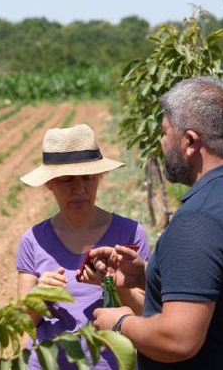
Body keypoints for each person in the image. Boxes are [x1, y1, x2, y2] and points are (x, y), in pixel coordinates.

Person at [88, 77, 223, 369]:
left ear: (190, 141)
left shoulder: (200, 218)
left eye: (166, 132)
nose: (161, 143)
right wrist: (150, 277)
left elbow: (178, 340)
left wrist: (119, 322)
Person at [16, 124, 151, 369]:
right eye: (67, 180)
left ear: (99, 179)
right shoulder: (33, 240)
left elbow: (146, 313)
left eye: (88, 178)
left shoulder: (130, 233)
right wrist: (40, 297)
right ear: (50, 184)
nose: (79, 189)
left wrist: (116, 286)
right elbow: (25, 322)